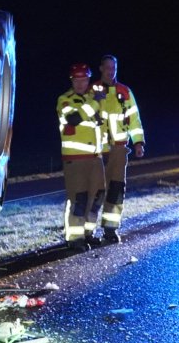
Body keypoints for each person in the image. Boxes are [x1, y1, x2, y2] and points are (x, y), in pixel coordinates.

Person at [92, 53, 145, 243]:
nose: (111, 71)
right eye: (107, 67)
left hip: (120, 150)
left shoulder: (125, 92)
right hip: (97, 152)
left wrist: (138, 142)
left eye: (113, 68)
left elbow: (134, 120)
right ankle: (87, 233)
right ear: (100, 69)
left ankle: (110, 230)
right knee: (94, 191)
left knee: (116, 190)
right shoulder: (92, 90)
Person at [57, 63, 107, 251]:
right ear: (72, 81)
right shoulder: (65, 100)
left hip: (96, 157)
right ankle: (75, 238)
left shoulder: (91, 99)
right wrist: (95, 102)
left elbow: (99, 124)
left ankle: (88, 232)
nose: (80, 83)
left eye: (84, 79)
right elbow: (73, 119)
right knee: (79, 198)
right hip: (75, 159)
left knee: (97, 196)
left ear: (88, 80)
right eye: (77, 80)